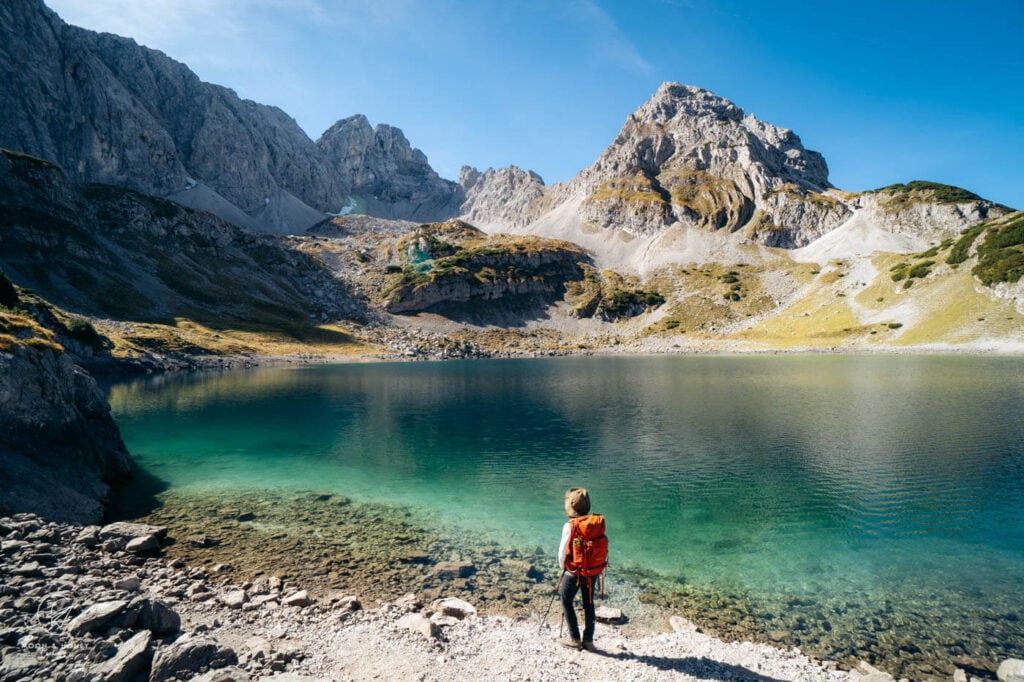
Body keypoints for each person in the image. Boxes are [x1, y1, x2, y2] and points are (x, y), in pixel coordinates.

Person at [557, 486, 597, 651]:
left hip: (574, 572)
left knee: (566, 599)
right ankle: (588, 640)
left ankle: (575, 639)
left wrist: (563, 567)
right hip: (592, 571)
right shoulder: (594, 524)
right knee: (588, 602)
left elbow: (562, 552)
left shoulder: (570, 526)